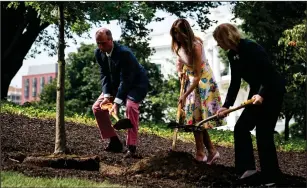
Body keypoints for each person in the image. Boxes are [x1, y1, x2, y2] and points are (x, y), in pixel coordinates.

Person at [213, 23, 286, 185]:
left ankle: (271, 177)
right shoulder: (232, 55)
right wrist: (226, 106)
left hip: (272, 90)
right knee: (241, 128)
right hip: (256, 94)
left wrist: (261, 94)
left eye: (219, 40)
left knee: (263, 132)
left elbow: (268, 73)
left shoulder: (252, 47)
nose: (218, 44)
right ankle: (247, 170)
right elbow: (235, 82)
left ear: (226, 38)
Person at [170, 18, 223, 164]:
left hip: (202, 83)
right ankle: (210, 151)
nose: (176, 37)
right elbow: (180, 60)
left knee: (197, 119)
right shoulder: (178, 46)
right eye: (174, 34)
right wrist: (179, 70)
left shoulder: (196, 46)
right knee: (195, 119)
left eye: (179, 33)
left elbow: (198, 75)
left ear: (186, 32)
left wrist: (185, 95)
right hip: (190, 80)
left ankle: (201, 153)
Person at [92, 28, 149, 158]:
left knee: (131, 107)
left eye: (103, 43)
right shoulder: (98, 53)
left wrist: (116, 103)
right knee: (97, 108)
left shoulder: (124, 54)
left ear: (111, 40)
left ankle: (131, 146)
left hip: (135, 84)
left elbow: (126, 80)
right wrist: (107, 96)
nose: (100, 47)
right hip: (116, 85)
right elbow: (104, 74)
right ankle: (114, 142)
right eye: (98, 43)